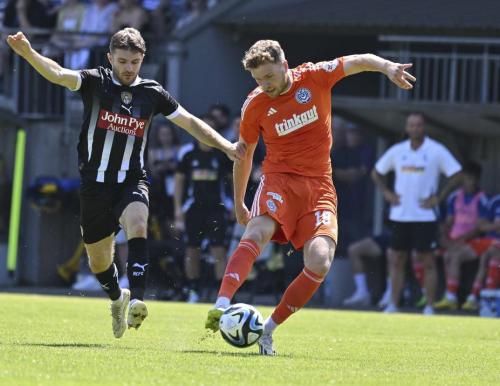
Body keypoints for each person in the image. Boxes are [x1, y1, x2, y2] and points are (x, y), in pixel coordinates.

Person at [6, 27, 244, 339]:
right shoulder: (96, 81)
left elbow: (190, 123)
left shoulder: (152, 93)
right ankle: (119, 299)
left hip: (132, 179)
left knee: (138, 222)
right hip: (95, 185)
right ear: (110, 58)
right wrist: (29, 54)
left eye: (134, 62)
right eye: (122, 61)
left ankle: (139, 298)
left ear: (142, 59)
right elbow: (59, 74)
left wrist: (226, 146)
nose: (128, 68)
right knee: (98, 260)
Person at [204, 39, 416, 356]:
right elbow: (244, 155)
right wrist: (239, 203)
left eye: (269, 77)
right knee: (257, 231)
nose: (265, 85)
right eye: (258, 80)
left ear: (284, 64)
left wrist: (387, 67)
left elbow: (356, 59)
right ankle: (221, 305)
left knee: (320, 261)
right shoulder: (256, 103)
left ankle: (267, 331)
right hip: (279, 180)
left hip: (319, 186)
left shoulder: (315, 76)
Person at [372, 113, 462, 315]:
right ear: (407, 128)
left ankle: (429, 306)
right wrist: (387, 193)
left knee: (428, 260)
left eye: (419, 125)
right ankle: (393, 304)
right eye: (411, 125)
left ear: (424, 127)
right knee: (396, 259)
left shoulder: (436, 150)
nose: (415, 128)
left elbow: (457, 173)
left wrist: (438, 197)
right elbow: (376, 172)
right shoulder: (398, 151)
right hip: (400, 215)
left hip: (425, 216)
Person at [174, 114, 232, 303]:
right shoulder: (188, 154)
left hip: (217, 208)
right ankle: (193, 290)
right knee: (192, 250)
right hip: (193, 209)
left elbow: (232, 181)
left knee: (219, 251)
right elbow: (179, 182)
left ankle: (221, 294)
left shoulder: (221, 155)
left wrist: (235, 204)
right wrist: (177, 210)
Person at [434, 162, 489, 310]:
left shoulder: (482, 199)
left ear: (477, 180)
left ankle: (452, 297)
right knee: (445, 256)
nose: (466, 182)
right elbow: (448, 222)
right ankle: (448, 295)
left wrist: (462, 240)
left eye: (469, 179)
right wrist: (445, 237)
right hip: (455, 240)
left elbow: (480, 227)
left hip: (472, 240)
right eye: (464, 178)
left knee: (456, 256)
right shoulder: (454, 197)